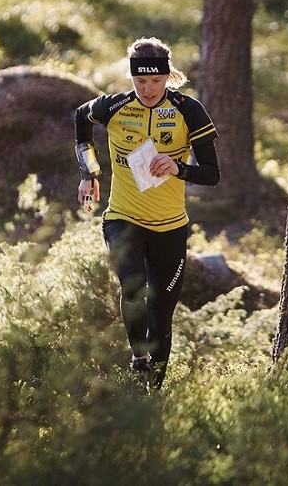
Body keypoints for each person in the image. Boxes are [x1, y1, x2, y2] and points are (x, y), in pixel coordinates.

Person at [73, 37, 219, 390]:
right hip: (123, 217)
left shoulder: (189, 109)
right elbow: (81, 121)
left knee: (161, 317)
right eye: (140, 82)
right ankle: (138, 358)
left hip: (170, 227)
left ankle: (154, 394)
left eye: (156, 82)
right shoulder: (114, 106)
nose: (148, 89)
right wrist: (90, 173)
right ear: (131, 77)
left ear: (168, 77)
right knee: (133, 287)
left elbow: (212, 174)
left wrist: (177, 167)